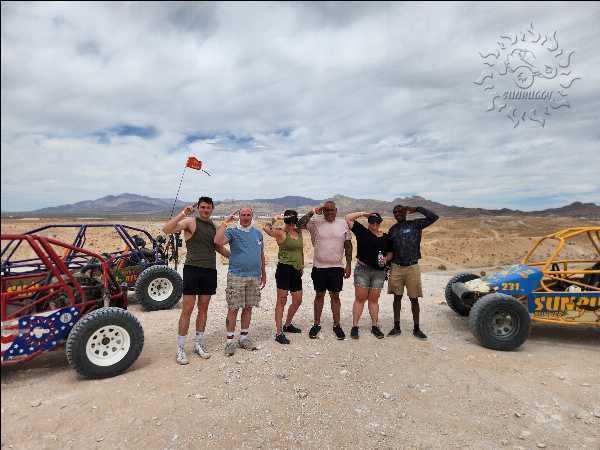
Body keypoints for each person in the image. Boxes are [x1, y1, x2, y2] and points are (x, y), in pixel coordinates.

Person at [162, 196, 230, 365]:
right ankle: (180, 348)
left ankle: (199, 344)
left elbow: (218, 247)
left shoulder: (213, 226)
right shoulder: (190, 222)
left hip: (209, 270)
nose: (206, 210)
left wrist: (237, 257)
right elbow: (166, 229)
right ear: (198, 208)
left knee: (203, 308)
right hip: (192, 269)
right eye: (203, 207)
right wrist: (182, 213)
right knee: (188, 309)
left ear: (212, 209)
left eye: (208, 207)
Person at [214, 207, 267, 356]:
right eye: (243, 215)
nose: (245, 217)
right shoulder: (232, 232)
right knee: (233, 308)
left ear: (252, 216)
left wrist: (263, 273)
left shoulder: (257, 233)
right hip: (236, 275)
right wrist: (225, 222)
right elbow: (217, 241)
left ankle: (243, 338)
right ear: (239, 216)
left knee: (248, 307)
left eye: (248, 215)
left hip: (254, 276)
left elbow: (261, 254)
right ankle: (230, 341)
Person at [298, 200, 352, 340]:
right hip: (319, 267)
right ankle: (316, 324)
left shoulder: (343, 223)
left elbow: (348, 245)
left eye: (331, 210)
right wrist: (313, 211)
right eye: (326, 210)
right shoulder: (315, 222)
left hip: (337, 267)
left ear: (336, 210)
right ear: (322, 211)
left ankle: (337, 325)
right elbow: (299, 224)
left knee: (335, 296)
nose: (329, 212)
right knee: (319, 295)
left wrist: (348, 264)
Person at [386, 205, 439, 339]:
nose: (397, 213)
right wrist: (387, 268)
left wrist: (418, 208)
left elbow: (434, 217)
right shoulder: (392, 230)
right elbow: (390, 251)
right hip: (396, 267)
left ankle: (416, 328)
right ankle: (396, 327)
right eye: (395, 212)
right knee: (396, 297)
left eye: (400, 211)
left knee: (414, 298)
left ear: (406, 212)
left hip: (412, 267)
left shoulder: (415, 224)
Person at [345, 211, 390, 340]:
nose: (374, 224)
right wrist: (364, 213)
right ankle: (355, 326)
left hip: (379, 272)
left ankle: (375, 326)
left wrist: (386, 259)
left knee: (374, 300)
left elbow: (390, 252)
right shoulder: (362, 231)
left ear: (380, 223)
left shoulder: (386, 237)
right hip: (362, 270)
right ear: (369, 222)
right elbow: (348, 218)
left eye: (377, 222)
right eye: (372, 221)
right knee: (360, 298)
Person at [263, 210, 304, 344]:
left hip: (296, 270)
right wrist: (275, 219)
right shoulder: (281, 232)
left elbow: (300, 250)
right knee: (282, 300)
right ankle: (279, 333)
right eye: (289, 221)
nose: (291, 224)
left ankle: (287, 324)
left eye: (293, 221)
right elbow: (266, 228)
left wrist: (302, 265)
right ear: (285, 221)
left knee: (298, 300)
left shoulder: (298, 232)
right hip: (284, 269)